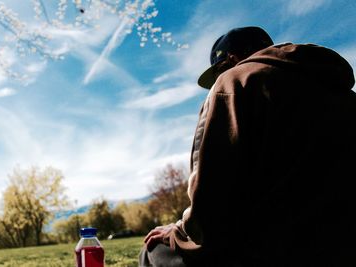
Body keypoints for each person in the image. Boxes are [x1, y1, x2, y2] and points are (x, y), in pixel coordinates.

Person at [139, 26, 356, 266]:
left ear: (232, 59)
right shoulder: (342, 92)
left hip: (271, 252)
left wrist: (176, 232)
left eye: (219, 71)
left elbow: (210, 205)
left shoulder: (234, 82)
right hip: (342, 248)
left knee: (153, 250)